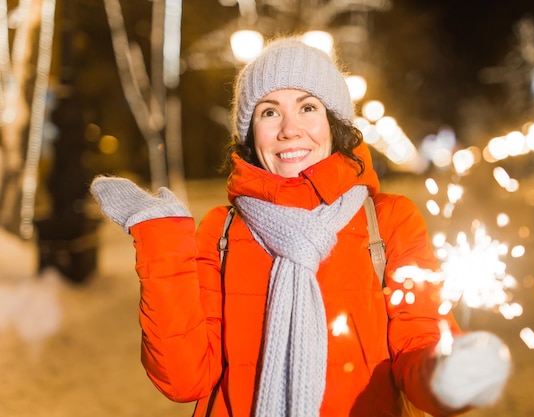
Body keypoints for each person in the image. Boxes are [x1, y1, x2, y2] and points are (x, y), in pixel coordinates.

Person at [90, 37, 511, 417]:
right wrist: (161, 237)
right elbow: (185, 380)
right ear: (251, 134)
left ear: (334, 123)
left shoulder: (388, 220)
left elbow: (416, 343)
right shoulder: (221, 231)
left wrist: (446, 374)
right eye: (269, 112)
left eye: (307, 107)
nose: (290, 130)